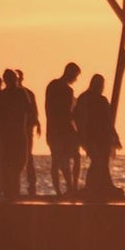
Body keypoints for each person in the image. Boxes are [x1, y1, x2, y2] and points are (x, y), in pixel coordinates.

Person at [73, 73, 119, 201]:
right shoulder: (91, 100)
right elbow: (107, 121)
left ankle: (101, 186)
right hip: (95, 137)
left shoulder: (87, 98)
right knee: (98, 161)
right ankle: (93, 186)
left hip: (98, 138)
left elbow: (107, 120)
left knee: (101, 162)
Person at [45, 62, 81, 198]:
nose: (75, 80)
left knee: (57, 160)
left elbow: (48, 109)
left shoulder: (51, 85)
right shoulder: (67, 90)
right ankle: (72, 187)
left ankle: (60, 191)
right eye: (75, 76)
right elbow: (66, 113)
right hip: (63, 129)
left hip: (52, 128)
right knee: (74, 157)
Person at [0, 69, 31, 200]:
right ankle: (12, 191)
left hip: (8, 134)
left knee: (9, 163)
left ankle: (9, 191)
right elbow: (29, 110)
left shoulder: (3, 94)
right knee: (19, 162)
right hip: (17, 133)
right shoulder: (21, 93)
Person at [14, 69, 41, 197]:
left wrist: (36, 123)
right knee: (16, 157)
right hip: (14, 131)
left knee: (27, 157)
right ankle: (15, 185)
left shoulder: (27, 93)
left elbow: (33, 111)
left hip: (25, 130)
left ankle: (31, 185)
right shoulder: (10, 93)